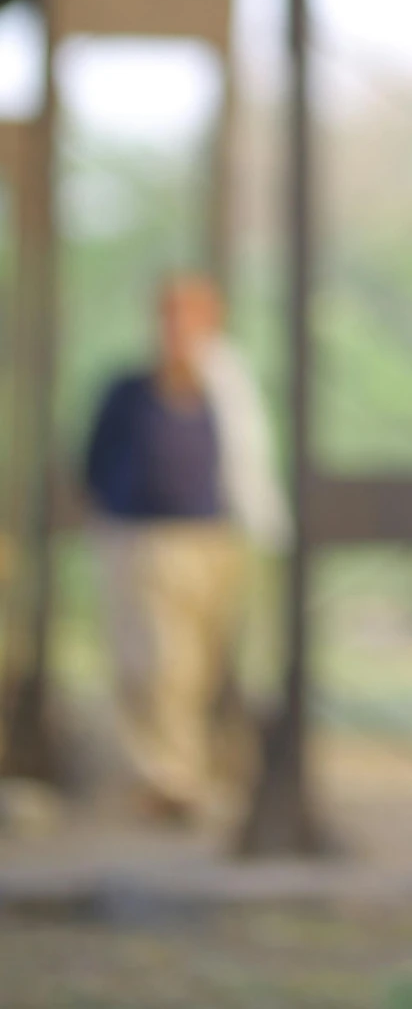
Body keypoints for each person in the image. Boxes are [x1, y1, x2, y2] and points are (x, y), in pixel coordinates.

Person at [84, 271, 286, 821]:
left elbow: (251, 468)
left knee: (211, 666)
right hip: (144, 541)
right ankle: (169, 778)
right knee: (157, 663)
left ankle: (213, 774)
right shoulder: (127, 391)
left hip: (215, 542)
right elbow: (94, 464)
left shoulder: (228, 392)